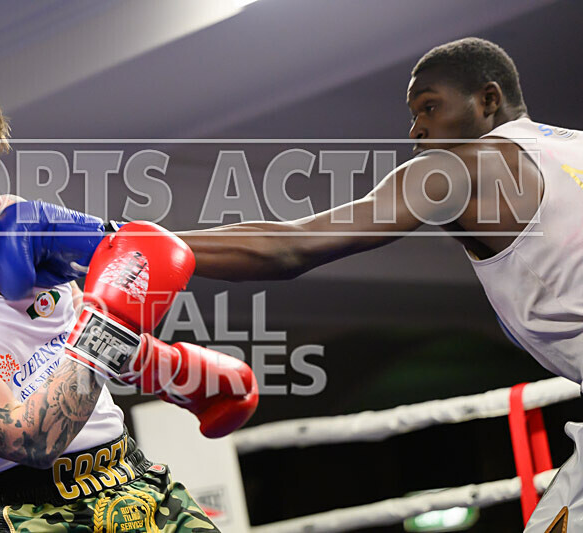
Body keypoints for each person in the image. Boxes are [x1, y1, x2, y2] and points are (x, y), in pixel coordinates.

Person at [173, 37, 582, 532]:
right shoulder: (573, 145)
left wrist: (125, 241)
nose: (416, 130)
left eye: (430, 106)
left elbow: (292, 246)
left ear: (488, 100)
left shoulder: (463, 166)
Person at [0, 85, 257, 533]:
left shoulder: (10, 250)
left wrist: (178, 372)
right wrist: (111, 322)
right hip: (34, 515)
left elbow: (73, 347)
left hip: (136, 478)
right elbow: (31, 439)